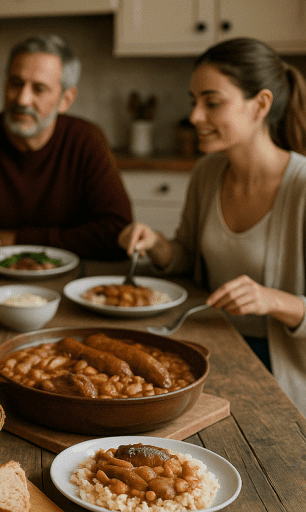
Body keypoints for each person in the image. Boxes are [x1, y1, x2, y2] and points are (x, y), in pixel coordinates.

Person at [118, 37, 306, 414]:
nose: (195, 116)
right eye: (194, 102)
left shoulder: (302, 187)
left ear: (261, 105)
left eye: (212, 102)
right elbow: (186, 258)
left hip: (277, 370)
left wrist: (273, 300)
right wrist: (155, 242)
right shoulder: (208, 171)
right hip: (205, 344)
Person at [0, 35, 132, 261]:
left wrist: (14, 240)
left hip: (72, 280)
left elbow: (118, 232)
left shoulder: (87, 140)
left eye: (39, 89)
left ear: (66, 99)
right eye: (16, 83)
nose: (23, 99)